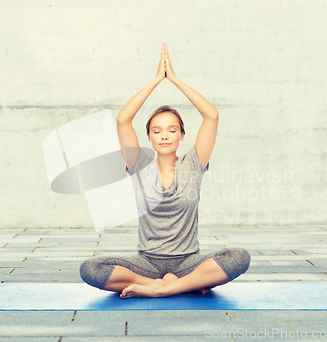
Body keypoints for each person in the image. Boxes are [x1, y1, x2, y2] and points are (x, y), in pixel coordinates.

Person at [80, 43, 250, 299]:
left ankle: (166, 287)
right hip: (147, 263)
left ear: (182, 135)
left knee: (239, 257)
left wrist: (175, 80)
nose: (165, 136)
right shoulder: (138, 165)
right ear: (148, 137)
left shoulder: (193, 164)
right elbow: (123, 120)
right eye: (157, 131)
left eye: (172, 130)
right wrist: (157, 80)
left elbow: (211, 116)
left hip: (188, 262)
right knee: (90, 269)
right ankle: (180, 284)